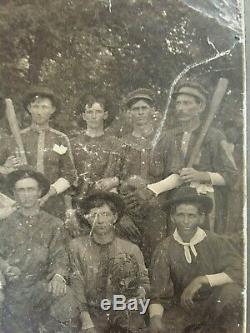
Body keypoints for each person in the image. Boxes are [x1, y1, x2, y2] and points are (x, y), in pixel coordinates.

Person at [149, 185, 243, 333]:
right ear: (173, 218)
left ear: (201, 218)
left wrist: (202, 280)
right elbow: (159, 295)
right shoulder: (164, 249)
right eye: (180, 215)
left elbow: (242, 271)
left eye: (191, 215)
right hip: (184, 310)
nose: (186, 221)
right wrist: (155, 319)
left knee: (233, 293)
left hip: (215, 306)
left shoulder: (215, 241)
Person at [147, 81, 238, 233]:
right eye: (178, 103)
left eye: (187, 103)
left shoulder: (215, 136)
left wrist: (201, 175)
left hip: (205, 208)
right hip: (175, 205)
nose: (180, 108)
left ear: (201, 107)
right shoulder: (168, 137)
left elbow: (232, 176)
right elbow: (156, 173)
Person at [0, 168, 78, 333]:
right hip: (12, 287)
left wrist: (58, 277)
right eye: (21, 190)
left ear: (40, 192)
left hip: (43, 287)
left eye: (31, 189)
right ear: (14, 194)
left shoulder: (54, 224)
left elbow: (61, 256)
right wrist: (5, 267)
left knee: (66, 299)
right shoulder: (4, 225)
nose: (26, 195)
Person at [68, 191, 150, 333]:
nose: (100, 221)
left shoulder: (131, 249)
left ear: (115, 217)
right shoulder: (77, 246)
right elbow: (76, 284)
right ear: (86, 218)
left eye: (105, 214)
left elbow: (144, 282)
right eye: (94, 215)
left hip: (124, 312)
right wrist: (86, 320)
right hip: (89, 313)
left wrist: (141, 291)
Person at [69, 93, 141, 243]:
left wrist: (115, 181)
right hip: (79, 207)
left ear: (106, 114)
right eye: (89, 112)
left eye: (98, 111)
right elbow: (67, 179)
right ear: (83, 115)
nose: (93, 116)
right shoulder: (73, 144)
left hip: (107, 208)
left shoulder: (117, 145)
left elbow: (128, 177)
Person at [0, 86, 77, 218]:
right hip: (21, 204)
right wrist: (5, 169)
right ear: (29, 108)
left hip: (52, 204)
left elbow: (70, 175)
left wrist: (50, 192)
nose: (39, 112)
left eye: (44, 107)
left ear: (53, 110)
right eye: (35, 106)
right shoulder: (14, 139)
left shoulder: (60, 139)